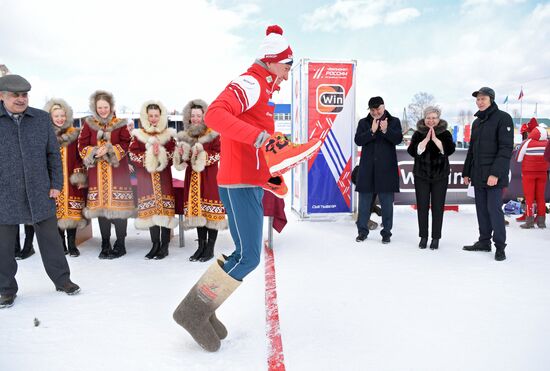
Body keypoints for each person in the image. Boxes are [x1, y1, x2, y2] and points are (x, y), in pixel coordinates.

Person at [172, 25, 321, 352]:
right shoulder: (251, 81)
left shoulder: (263, 88)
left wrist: (272, 175)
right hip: (238, 182)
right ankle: (194, 312)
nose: (286, 74)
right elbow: (215, 114)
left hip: (249, 180)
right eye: (285, 66)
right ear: (270, 60)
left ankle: (202, 310)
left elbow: (259, 149)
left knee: (242, 254)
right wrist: (259, 138)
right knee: (251, 257)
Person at [0, 74, 80, 309]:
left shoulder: (41, 119)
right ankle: (5, 289)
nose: (21, 99)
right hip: (4, 192)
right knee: (3, 245)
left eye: (24, 95)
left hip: (39, 191)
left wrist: (56, 184)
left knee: (51, 239)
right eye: (15, 95)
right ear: (2, 96)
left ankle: (63, 280)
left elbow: (53, 155)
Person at [78, 90, 135, 259]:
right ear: (95, 108)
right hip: (97, 174)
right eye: (100, 107)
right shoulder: (89, 124)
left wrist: (110, 149)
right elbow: (81, 145)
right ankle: (105, 243)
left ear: (111, 107)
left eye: (105, 107)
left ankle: (121, 243)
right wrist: (95, 151)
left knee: (119, 210)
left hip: (118, 174)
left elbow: (127, 143)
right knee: (102, 211)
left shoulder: (120, 123)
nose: (103, 110)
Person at [462, 87, 514, 261]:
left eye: (483, 99)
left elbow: (505, 149)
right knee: (481, 210)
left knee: (494, 210)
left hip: (493, 176)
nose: (479, 102)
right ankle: (484, 241)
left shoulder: (503, 118)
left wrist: (495, 174)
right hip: (477, 174)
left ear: (491, 99)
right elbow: (472, 150)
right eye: (477, 99)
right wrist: (466, 172)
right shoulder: (477, 122)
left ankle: (500, 247)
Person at [173, 99, 227, 263]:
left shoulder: (214, 133)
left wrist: (201, 157)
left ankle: (209, 248)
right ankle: (201, 247)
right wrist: (182, 156)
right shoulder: (186, 135)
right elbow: (183, 157)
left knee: (210, 214)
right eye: (193, 116)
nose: (196, 118)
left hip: (209, 177)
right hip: (192, 178)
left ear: (204, 116)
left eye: (199, 115)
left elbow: (219, 153)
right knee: (198, 213)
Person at [129, 101, 178, 259]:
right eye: (151, 115)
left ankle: (164, 245)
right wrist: (149, 157)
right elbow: (133, 154)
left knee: (163, 211)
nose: (153, 118)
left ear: (161, 116)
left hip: (163, 179)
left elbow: (173, 154)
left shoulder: (168, 135)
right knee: (151, 214)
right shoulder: (139, 135)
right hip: (146, 179)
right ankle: (155, 244)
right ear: (146, 116)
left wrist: (161, 155)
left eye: (156, 115)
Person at [354, 96, 403, 244]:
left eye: (378, 109)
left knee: (387, 204)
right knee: (364, 204)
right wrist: (372, 131)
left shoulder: (394, 121)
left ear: (384, 107)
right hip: (367, 170)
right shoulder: (363, 122)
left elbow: (398, 139)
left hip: (386, 170)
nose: (375, 112)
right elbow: (358, 140)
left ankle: (386, 232)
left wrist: (386, 130)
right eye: (372, 110)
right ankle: (362, 231)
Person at [407, 106, 456, 250]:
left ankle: (435, 238)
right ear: (424, 118)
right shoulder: (417, 133)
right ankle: (423, 236)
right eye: (428, 117)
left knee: (437, 207)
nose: (431, 120)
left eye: (434, 117)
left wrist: (435, 140)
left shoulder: (445, 133)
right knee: (422, 207)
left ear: (439, 118)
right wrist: (424, 141)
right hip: (421, 176)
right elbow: (412, 151)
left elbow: (449, 150)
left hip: (440, 176)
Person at [45, 98, 88, 257]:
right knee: (56, 214)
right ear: (50, 117)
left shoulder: (74, 134)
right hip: (52, 181)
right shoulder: (45, 134)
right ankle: (61, 243)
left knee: (72, 213)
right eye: (56, 116)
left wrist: (79, 175)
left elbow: (79, 157)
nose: (60, 119)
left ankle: (72, 244)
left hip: (71, 180)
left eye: (62, 115)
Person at [516, 123, 548, 228]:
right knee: (541, 197)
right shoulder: (548, 143)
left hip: (528, 174)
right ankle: (541, 222)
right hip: (543, 173)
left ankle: (529, 222)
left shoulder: (527, 142)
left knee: (529, 197)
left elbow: (518, 158)